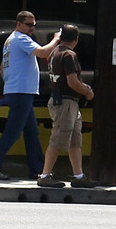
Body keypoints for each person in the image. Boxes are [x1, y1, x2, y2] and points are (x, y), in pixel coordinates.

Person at [0, 10, 64, 181]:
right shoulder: (21, 39)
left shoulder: (10, 40)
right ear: (18, 24)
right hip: (21, 92)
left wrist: (10, 81)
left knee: (31, 131)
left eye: (34, 25)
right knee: (13, 132)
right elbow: (42, 52)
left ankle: (37, 169)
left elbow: (3, 66)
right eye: (28, 24)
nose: (31, 28)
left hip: (19, 90)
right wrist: (56, 40)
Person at [38, 25, 98, 188]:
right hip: (65, 102)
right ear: (76, 39)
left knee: (74, 141)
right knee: (58, 139)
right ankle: (45, 176)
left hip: (64, 101)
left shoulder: (54, 52)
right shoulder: (69, 55)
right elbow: (72, 82)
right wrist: (87, 92)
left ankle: (79, 176)